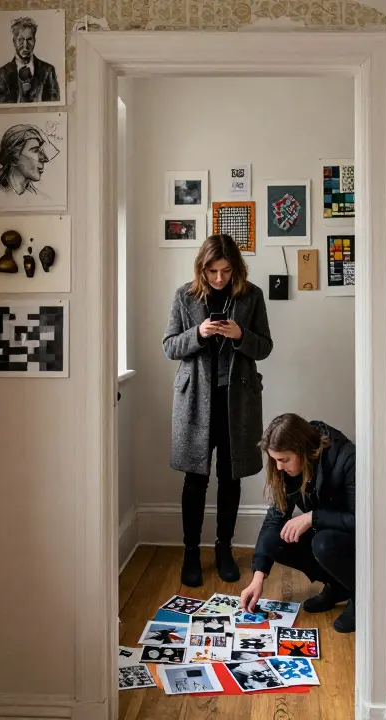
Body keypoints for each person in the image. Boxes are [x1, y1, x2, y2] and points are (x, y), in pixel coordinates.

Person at [162, 234, 272, 588]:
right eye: (213, 271)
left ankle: (224, 549)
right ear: (202, 268)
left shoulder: (252, 296)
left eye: (226, 271)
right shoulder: (185, 295)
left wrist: (240, 335)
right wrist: (199, 332)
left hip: (236, 403)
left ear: (236, 268)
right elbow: (169, 346)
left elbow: (265, 347)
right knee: (195, 480)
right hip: (195, 401)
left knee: (230, 477)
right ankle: (191, 553)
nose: (220, 278)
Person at [239, 413, 356, 633]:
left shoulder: (347, 458)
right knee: (273, 540)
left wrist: (313, 517)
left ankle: (360, 595)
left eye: (283, 460)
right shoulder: (289, 469)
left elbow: (361, 521)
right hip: (326, 534)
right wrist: (258, 577)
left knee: (323, 542)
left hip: (353, 542)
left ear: (302, 449)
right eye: (275, 460)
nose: (278, 467)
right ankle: (338, 586)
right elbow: (274, 519)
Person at [0, 16, 61, 104]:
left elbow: (54, 105)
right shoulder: (2, 74)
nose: (25, 45)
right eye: (20, 40)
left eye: (29, 39)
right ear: (14, 42)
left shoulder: (48, 71)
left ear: (34, 41)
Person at [0, 123, 59, 198]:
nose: (44, 159)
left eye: (41, 151)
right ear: (14, 157)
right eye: (35, 150)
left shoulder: (40, 198)